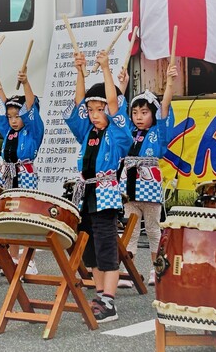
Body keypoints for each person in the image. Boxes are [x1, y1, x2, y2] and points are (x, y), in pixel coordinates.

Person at [63, 50, 133, 323]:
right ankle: (100, 293)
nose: (94, 114)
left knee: (106, 247)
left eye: (99, 109)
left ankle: (110, 302)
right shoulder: (88, 132)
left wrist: (105, 68)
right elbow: (79, 101)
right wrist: (80, 71)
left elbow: (114, 103)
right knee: (90, 246)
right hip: (86, 193)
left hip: (105, 193)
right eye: (91, 110)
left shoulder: (117, 133)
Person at [115, 64, 176, 287]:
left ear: (153, 114)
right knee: (130, 230)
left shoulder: (158, 132)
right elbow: (116, 113)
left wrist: (169, 82)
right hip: (130, 187)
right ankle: (129, 271)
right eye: (135, 112)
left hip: (149, 187)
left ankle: (155, 268)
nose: (139, 117)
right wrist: (122, 85)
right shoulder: (129, 133)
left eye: (144, 112)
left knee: (152, 230)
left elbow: (166, 107)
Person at [0, 70, 43, 275]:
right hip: (7, 175)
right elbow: (5, 106)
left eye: (17, 116)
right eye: (10, 117)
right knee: (9, 217)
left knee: (26, 217)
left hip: (25, 176)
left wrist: (26, 83)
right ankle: (13, 258)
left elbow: (30, 108)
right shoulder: (9, 132)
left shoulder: (33, 131)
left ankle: (29, 259)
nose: (13, 120)